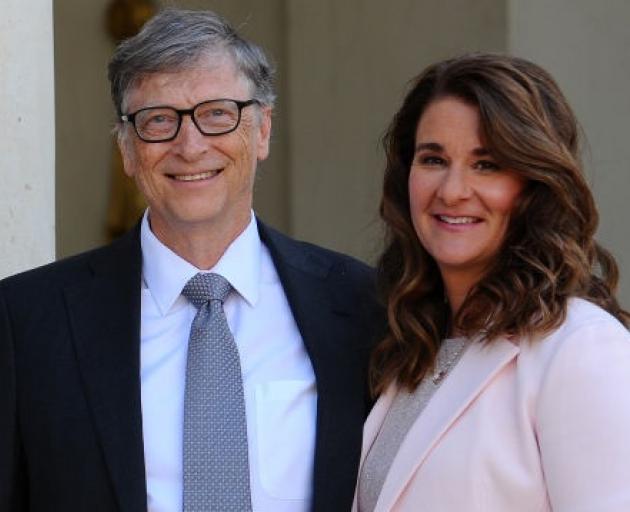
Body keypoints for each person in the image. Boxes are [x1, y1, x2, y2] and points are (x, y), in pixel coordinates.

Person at [0, 9, 382, 512]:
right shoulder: (28, 319)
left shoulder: (360, 305)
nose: (191, 145)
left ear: (262, 130)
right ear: (128, 151)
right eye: (158, 120)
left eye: (218, 113)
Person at [353, 53, 630, 512]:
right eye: (433, 159)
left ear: (535, 183)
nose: (453, 190)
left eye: (487, 165)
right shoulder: (409, 347)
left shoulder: (582, 349)